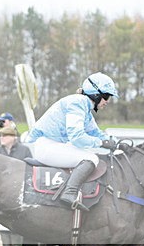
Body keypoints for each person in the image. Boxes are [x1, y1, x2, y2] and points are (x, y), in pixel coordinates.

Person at [27, 72, 119, 210]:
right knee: (91, 158)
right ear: (95, 94)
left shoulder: (85, 108)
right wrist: (101, 143)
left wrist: (116, 143)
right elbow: (77, 137)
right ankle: (69, 193)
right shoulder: (78, 102)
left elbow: (96, 132)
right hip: (45, 145)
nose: (107, 101)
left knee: (88, 153)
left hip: (51, 144)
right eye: (106, 96)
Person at [0, 126, 31, 246]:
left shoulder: (24, 150)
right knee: (2, 219)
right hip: (0, 192)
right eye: (0, 135)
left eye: (5, 135)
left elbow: (30, 169)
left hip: (19, 191)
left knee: (16, 218)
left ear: (13, 137)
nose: (1, 138)